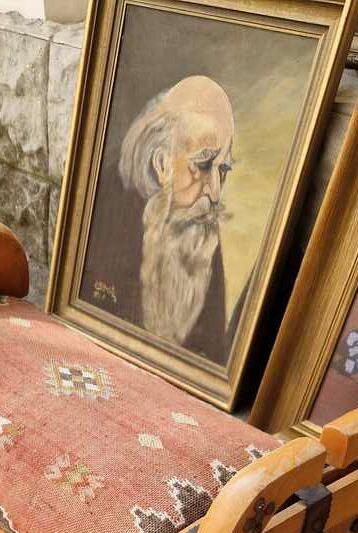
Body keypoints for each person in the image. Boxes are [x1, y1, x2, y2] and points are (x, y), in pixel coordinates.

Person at [82, 75, 242, 365]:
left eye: (223, 170)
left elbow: (211, 356)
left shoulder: (197, 219)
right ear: (161, 164)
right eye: (204, 164)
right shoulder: (108, 208)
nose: (215, 192)